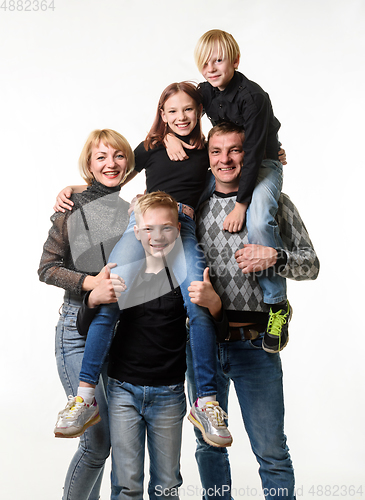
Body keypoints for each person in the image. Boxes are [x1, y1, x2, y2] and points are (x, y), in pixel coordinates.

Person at [53, 82, 232, 448]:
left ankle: (207, 401)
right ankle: (85, 396)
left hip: (182, 228)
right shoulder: (153, 147)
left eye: (188, 110)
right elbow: (117, 176)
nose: (181, 117)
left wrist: (271, 153)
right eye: (172, 112)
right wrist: (74, 188)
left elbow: (234, 164)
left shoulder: (208, 149)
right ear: (162, 116)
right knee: (111, 294)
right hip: (143, 225)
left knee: (197, 301)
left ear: (199, 112)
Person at [186, 122, 320, 500]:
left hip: (256, 345)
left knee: (272, 452)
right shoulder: (195, 205)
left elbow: (311, 264)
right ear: (208, 158)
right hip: (202, 345)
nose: (226, 159)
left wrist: (274, 256)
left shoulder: (273, 202)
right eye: (217, 151)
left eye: (235, 150)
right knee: (208, 446)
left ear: (250, 154)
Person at [76, 192, 227, 500]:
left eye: (167, 228)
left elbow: (214, 332)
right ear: (137, 232)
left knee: (166, 485)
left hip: (169, 395)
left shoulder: (187, 276)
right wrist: (92, 297)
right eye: (149, 229)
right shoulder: (125, 273)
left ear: (180, 229)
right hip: (123, 392)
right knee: (127, 485)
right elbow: (86, 326)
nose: (158, 237)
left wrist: (216, 306)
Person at [167, 29, 290, 354]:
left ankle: (277, 304)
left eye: (219, 60)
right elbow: (177, 108)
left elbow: (250, 155)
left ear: (235, 60)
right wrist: (168, 137)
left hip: (260, 162)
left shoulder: (253, 97)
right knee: (185, 196)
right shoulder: (205, 92)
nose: (211, 67)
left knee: (260, 219)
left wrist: (241, 205)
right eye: (204, 62)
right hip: (234, 161)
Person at [38, 129, 133, 500]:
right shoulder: (72, 208)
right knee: (96, 441)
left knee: (113, 442)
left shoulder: (127, 211)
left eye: (119, 156)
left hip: (117, 331)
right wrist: (90, 282)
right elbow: (47, 268)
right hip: (76, 329)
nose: (111, 164)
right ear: (89, 166)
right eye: (101, 158)